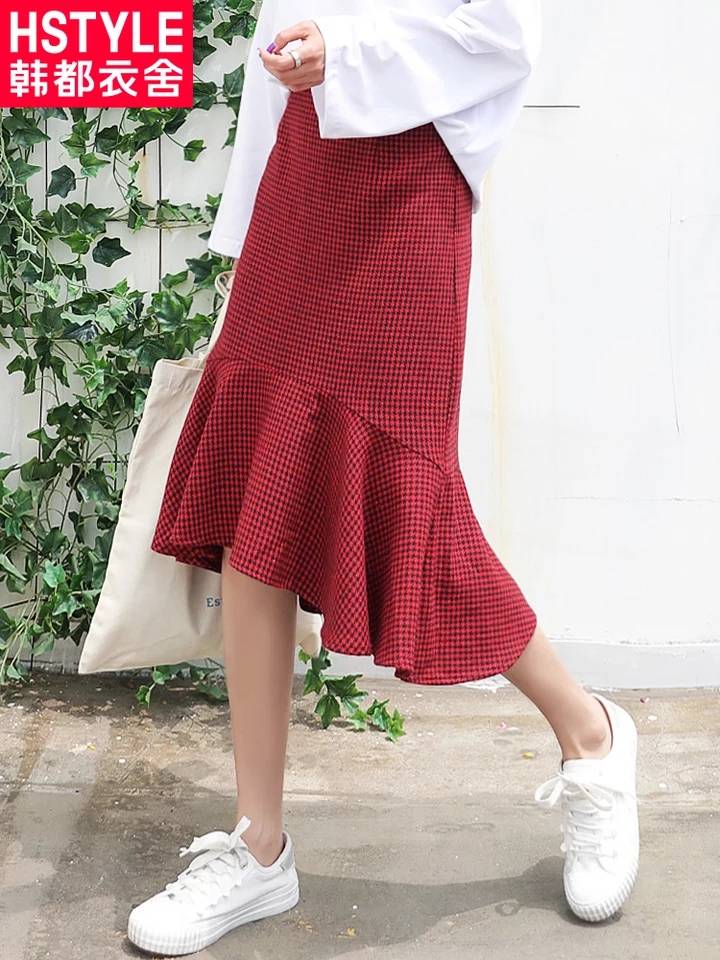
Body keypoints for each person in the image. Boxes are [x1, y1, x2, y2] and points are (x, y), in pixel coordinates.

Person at [127, 1, 640, 954]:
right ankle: (259, 844)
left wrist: (349, 51)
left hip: (409, 182)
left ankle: (592, 736)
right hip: (301, 172)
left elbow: (504, 30)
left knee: (414, 502)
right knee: (259, 487)